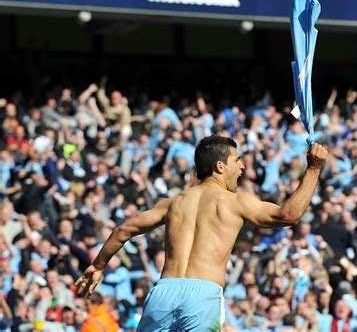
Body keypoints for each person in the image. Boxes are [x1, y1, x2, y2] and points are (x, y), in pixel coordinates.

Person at [75, 135, 328, 331]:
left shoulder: (174, 202)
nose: (242, 167)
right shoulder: (234, 201)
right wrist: (314, 169)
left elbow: (124, 229)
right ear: (220, 166)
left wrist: (98, 265)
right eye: (237, 161)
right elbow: (289, 215)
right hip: (202, 295)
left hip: (163, 293)